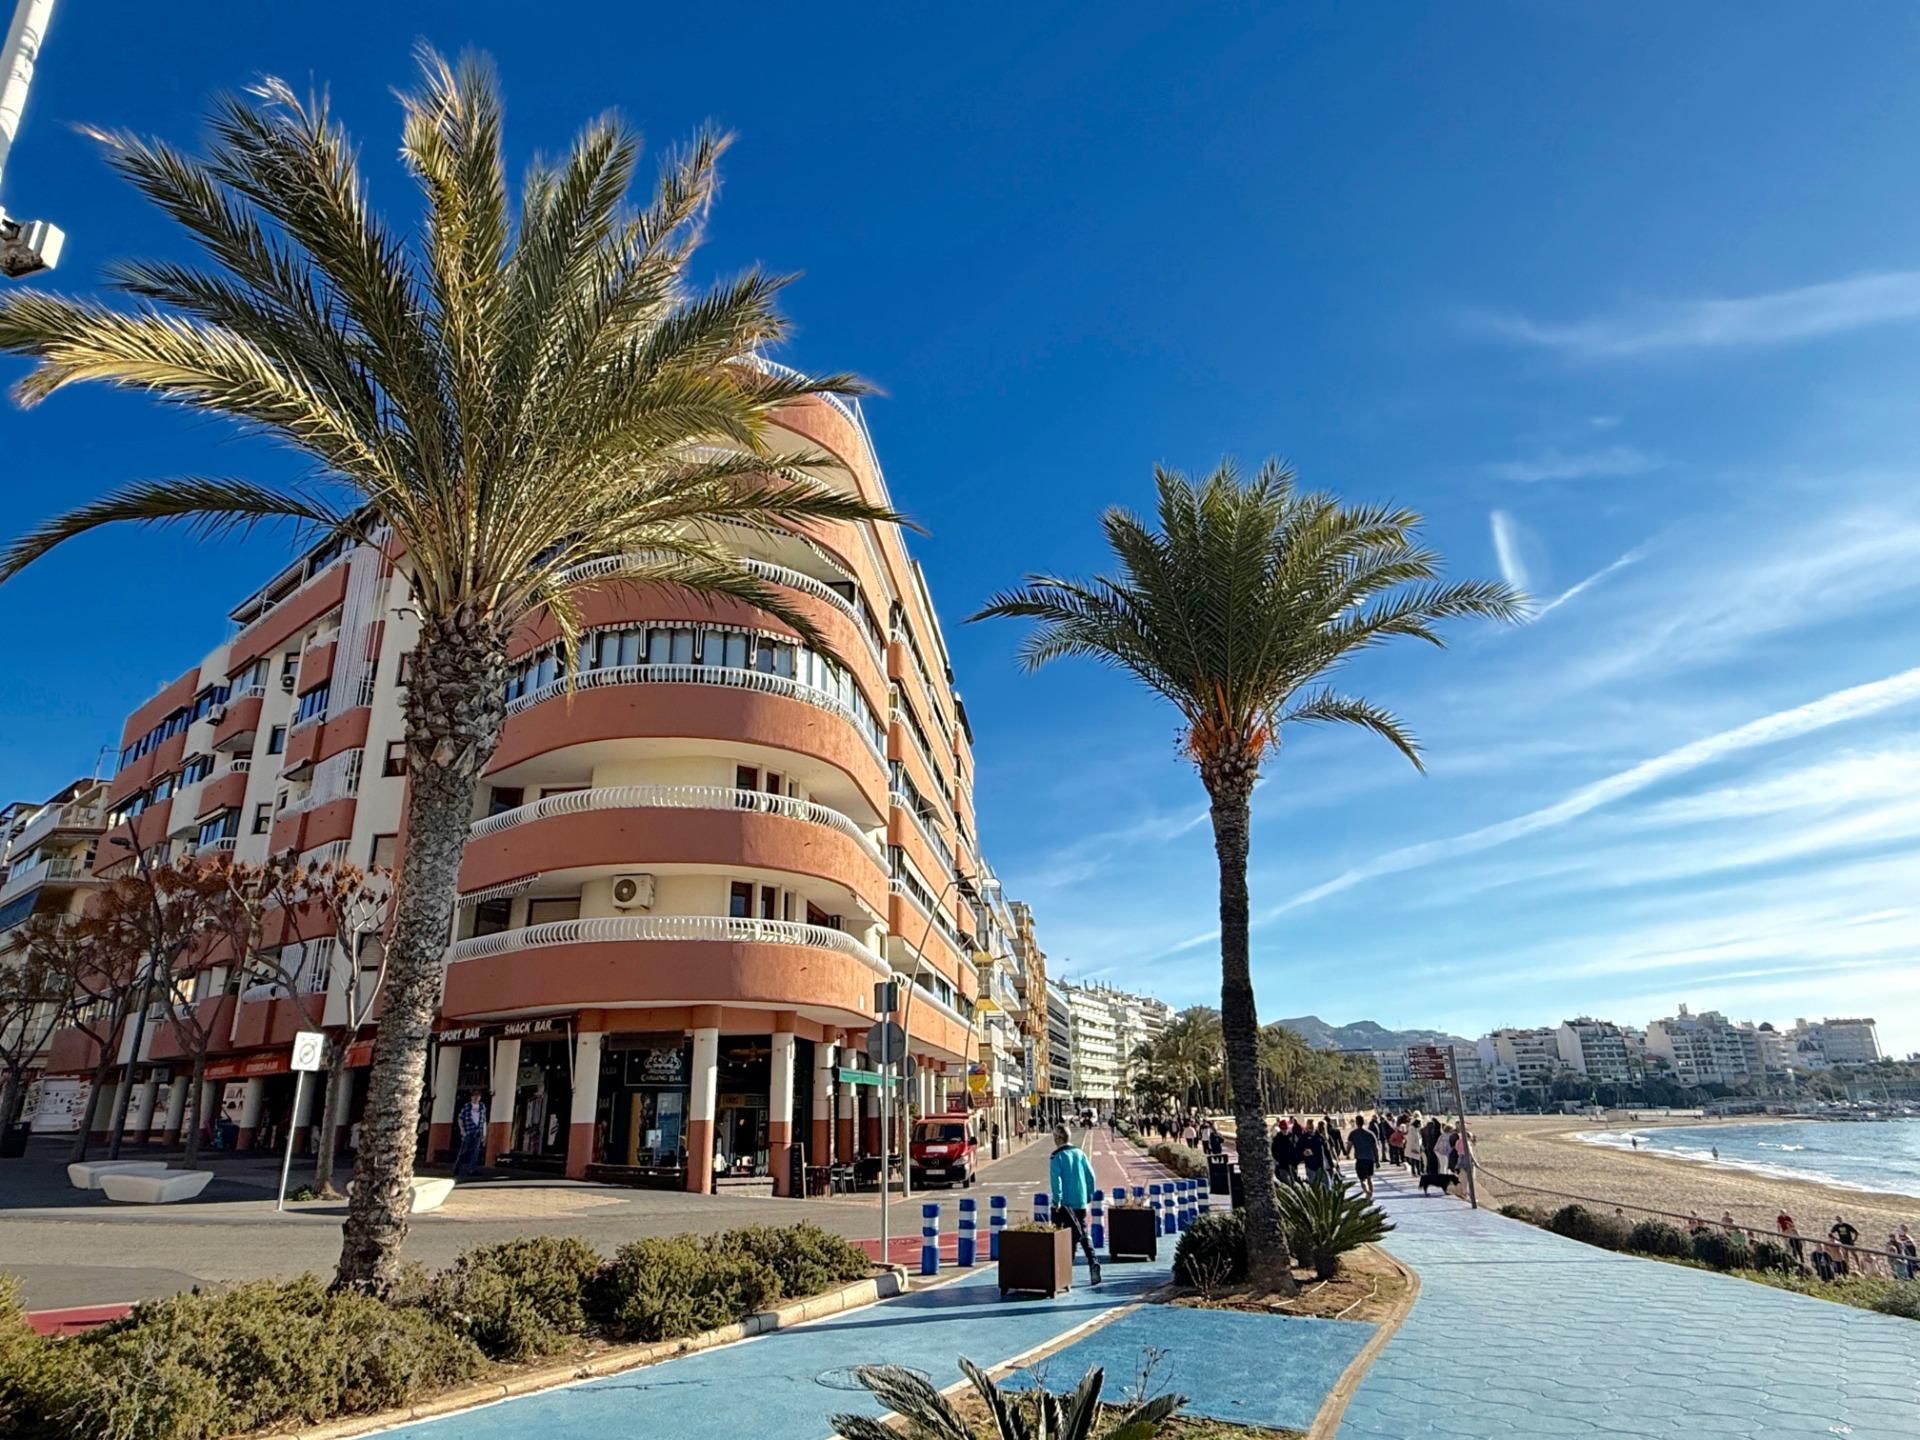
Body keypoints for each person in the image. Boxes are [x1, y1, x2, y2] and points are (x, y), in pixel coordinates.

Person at [1048, 1124, 1101, 1284]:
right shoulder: (1080, 1154)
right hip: (1081, 1201)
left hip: (1065, 1204)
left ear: (1058, 1138)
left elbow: (1056, 1181)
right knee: (1083, 1231)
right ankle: (1092, 1261)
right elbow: (1091, 1176)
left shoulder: (1056, 1157)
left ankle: (1064, 1273)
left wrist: (1057, 1200)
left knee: (1064, 1238)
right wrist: (1089, 1194)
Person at [454, 1089, 488, 1176]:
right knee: (463, 1150)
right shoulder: (467, 1106)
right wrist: (462, 1130)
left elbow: (484, 1120)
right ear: (471, 1097)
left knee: (475, 1152)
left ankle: (472, 1169)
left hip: (478, 1131)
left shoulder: (482, 1107)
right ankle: (457, 1168)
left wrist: (484, 1134)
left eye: (478, 1096)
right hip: (468, 1131)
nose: (476, 1098)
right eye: (474, 1096)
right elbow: (460, 1118)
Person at [1347, 1115, 1379, 1200]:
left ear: (1356, 1123)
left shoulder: (1353, 1134)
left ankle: (1366, 1192)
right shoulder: (1370, 1133)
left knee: (1362, 1179)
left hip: (1360, 1159)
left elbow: (1349, 1145)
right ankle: (1370, 1195)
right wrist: (1377, 1160)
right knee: (1369, 1178)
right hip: (1370, 1158)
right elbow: (1375, 1148)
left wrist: (1347, 1154)